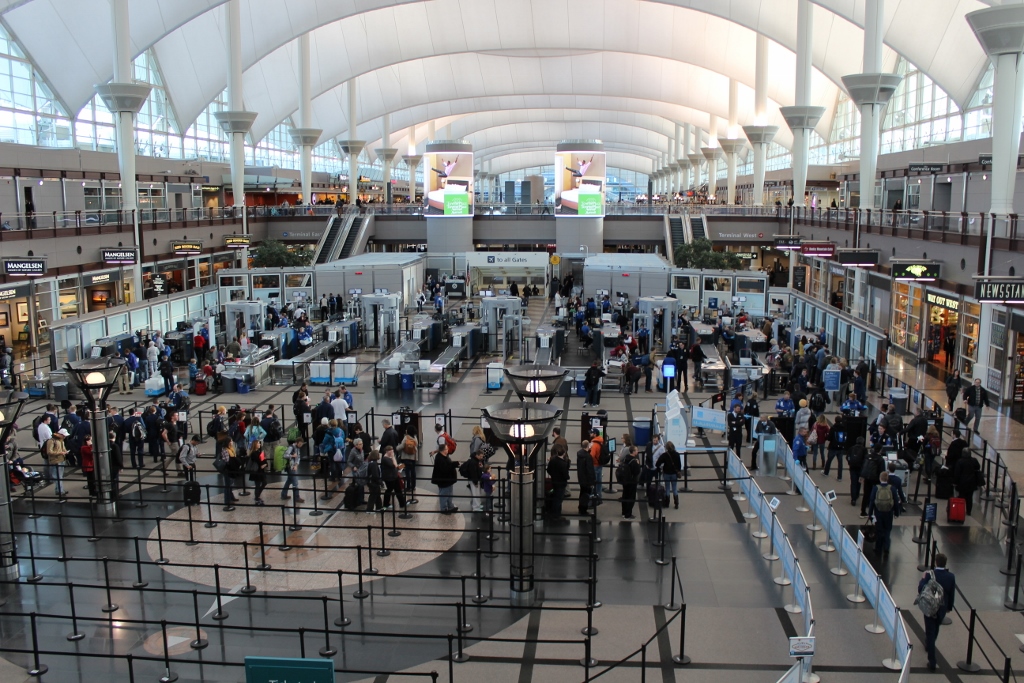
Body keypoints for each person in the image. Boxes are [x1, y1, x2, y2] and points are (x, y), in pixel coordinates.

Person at [919, 553, 956, 672]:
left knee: (930, 631)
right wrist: (949, 607)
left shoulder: (930, 575)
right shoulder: (951, 577)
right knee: (935, 628)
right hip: (942, 608)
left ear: (936, 562)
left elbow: (921, 588)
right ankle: (930, 643)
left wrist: (922, 579)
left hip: (930, 607)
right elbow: (951, 594)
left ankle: (932, 660)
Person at [868, 471, 897, 557]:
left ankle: (878, 548)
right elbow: (895, 500)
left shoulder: (876, 488)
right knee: (887, 530)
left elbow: (871, 501)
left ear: (880, 478)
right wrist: (897, 512)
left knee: (879, 530)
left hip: (878, 513)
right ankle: (886, 548)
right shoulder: (892, 488)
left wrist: (870, 514)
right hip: (889, 513)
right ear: (887, 479)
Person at [430, 443, 458, 513]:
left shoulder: (444, 456)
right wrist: (454, 465)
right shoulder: (440, 459)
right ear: (443, 450)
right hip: (444, 480)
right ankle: (443, 508)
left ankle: (450, 506)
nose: (448, 449)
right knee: (444, 494)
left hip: (449, 480)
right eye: (446, 448)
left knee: (450, 493)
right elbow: (445, 469)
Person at [953, 450, 982, 515]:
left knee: (961, 497)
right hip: (971, 482)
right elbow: (978, 467)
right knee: (969, 498)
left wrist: (955, 482)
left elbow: (957, 473)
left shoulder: (960, 461)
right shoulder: (974, 460)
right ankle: (969, 511)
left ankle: (960, 510)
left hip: (962, 483)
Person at [859, 448, 885, 518]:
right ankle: (873, 513)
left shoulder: (867, 456)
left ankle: (863, 512)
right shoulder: (880, 459)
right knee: (875, 496)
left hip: (867, 478)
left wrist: (862, 476)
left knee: (866, 495)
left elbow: (863, 466)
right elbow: (882, 471)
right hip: (875, 480)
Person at [617, 446, 641, 519]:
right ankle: (628, 514)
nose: (637, 451)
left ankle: (624, 512)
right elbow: (637, 472)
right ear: (633, 452)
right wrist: (638, 464)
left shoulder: (626, 458)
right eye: (636, 450)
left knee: (625, 495)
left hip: (625, 480)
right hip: (632, 481)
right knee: (631, 497)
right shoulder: (634, 461)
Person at [656, 440, 682, 509]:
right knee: (674, 489)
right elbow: (679, 465)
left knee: (667, 488)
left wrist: (660, 467)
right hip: (674, 473)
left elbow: (657, 463)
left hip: (667, 473)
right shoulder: (677, 454)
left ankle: (667, 503)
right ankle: (676, 504)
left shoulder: (665, 455)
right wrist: (678, 471)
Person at [546, 447, 570, 518]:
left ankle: (555, 513)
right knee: (559, 498)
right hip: (561, 483)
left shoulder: (553, 460)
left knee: (555, 496)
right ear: (564, 453)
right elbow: (566, 475)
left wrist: (553, 475)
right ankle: (556, 514)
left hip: (554, 481)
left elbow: (548, 470)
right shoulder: (563, 464)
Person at [822, 414, 846, 480]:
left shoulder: (833, 428)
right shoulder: (844, 427)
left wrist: (826, 437)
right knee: (840, 463)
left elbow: (829, 438)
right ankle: (839, 477)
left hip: (833, 447)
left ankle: (826, 473)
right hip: (841, 447)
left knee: (829, 460)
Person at [280, 437, 304, 501]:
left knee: (289, 480)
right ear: (296, 442)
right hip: (290, 467)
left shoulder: (297, 448)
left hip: (293, 466)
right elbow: (285, 455)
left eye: (301, 444)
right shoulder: (291, 447)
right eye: (299, 444)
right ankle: (297, 497)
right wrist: (292, 456)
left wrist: (296, 464)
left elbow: (298, 457)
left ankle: (283, 494)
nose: (300, 445)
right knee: (295, 482)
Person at [576, 440, 596, 514]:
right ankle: (583, 509)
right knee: (586, 494)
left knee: (582, 492)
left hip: (581, 477)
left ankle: (581, 506)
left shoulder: (579, 454)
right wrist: (592, 481)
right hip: (587, 479)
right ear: (587, 446)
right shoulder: (588, 457)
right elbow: (590, 470)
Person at [847, 437, 867, 505]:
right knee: (859, 482)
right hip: (860, 468)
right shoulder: (864, 449)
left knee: (853, 483)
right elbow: (865, 459)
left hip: (852, 467)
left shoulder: (851, 448)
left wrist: (849, 463)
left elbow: (847, 457)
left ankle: (853, 499)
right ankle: (857, 494)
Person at [249, 440, 269, 505]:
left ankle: (257, 496)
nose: (259, 444)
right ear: (255, 445)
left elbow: (263, 460)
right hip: (256, 472)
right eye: (258, 443)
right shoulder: (254, 453)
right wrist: (264, 463)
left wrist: (265, 464)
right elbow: (260, 461)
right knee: (258, 485)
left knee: (264, 482)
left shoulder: (259, 452)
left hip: (260, 471)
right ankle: (257, 497)